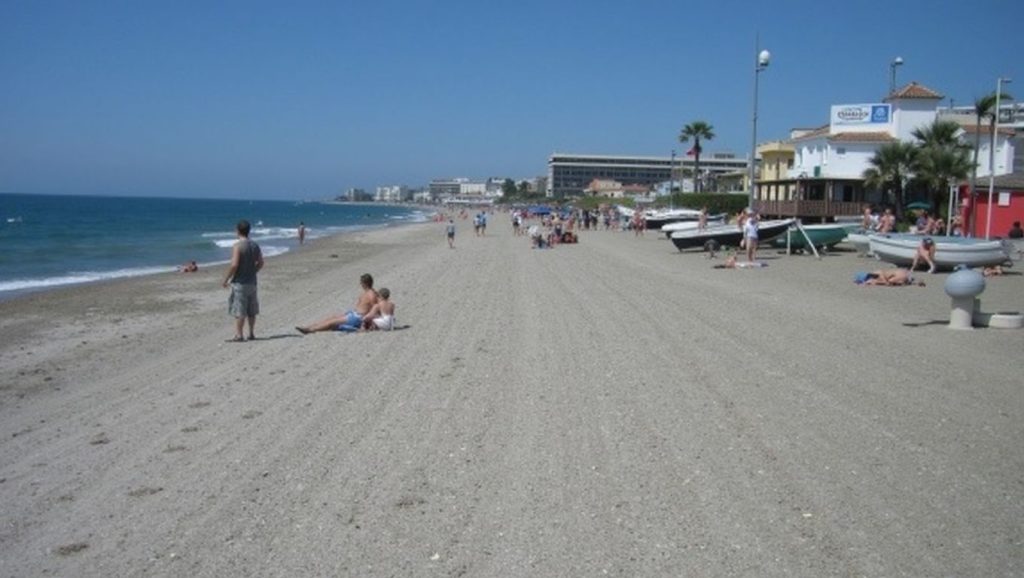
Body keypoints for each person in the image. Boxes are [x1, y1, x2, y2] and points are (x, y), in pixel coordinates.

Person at [222, 220, 264, 342]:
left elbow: (234, 265)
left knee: (240, 309)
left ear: (238, 230)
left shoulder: (237, 246)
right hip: (252, 282)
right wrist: (253, 271)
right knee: (252, 309)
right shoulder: (255, 245)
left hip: (240, 282)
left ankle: (239, 335)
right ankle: (251, 333)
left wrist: (226, 279)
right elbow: (261, 263)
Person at [296, 273, 379, 334]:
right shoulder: (366, 292)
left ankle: (311, 330)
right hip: (353, 314)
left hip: (358, 318)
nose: (360, 284)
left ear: (365, 283)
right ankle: (310, 326)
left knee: (332, 322)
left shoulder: (371, 294)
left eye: (361, 282)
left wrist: (367, 323)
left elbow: (375, 309)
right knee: (332, 317)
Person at [854, 268, 925, 287]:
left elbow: (881, 274)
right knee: (895, 282)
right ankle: (915, 281)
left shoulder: (875, 273)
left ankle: (914, 281)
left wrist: (879, 282)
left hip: (901, 273)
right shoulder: (873, 277)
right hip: (904, 273)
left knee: (891, 281)